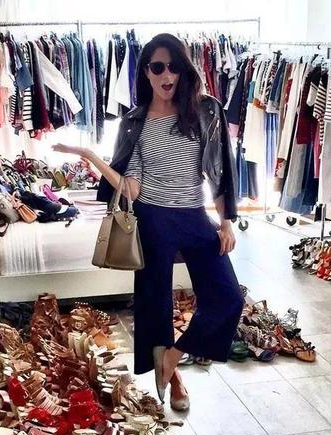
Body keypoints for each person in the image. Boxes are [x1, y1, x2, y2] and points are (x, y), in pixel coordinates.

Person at [53, 33, 244, 411]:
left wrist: (226, 222)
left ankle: (173, 356)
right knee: (154, 304)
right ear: (146, 72)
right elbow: (132, 188)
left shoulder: (205, 109)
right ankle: (175, 382)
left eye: (174, 66)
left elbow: (220, 170)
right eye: (158, 67)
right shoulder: (135, 121)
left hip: (194, 214)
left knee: (228, 297)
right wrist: (90, 155)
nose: (166, 75)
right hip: (153, 218)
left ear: (183, 70)